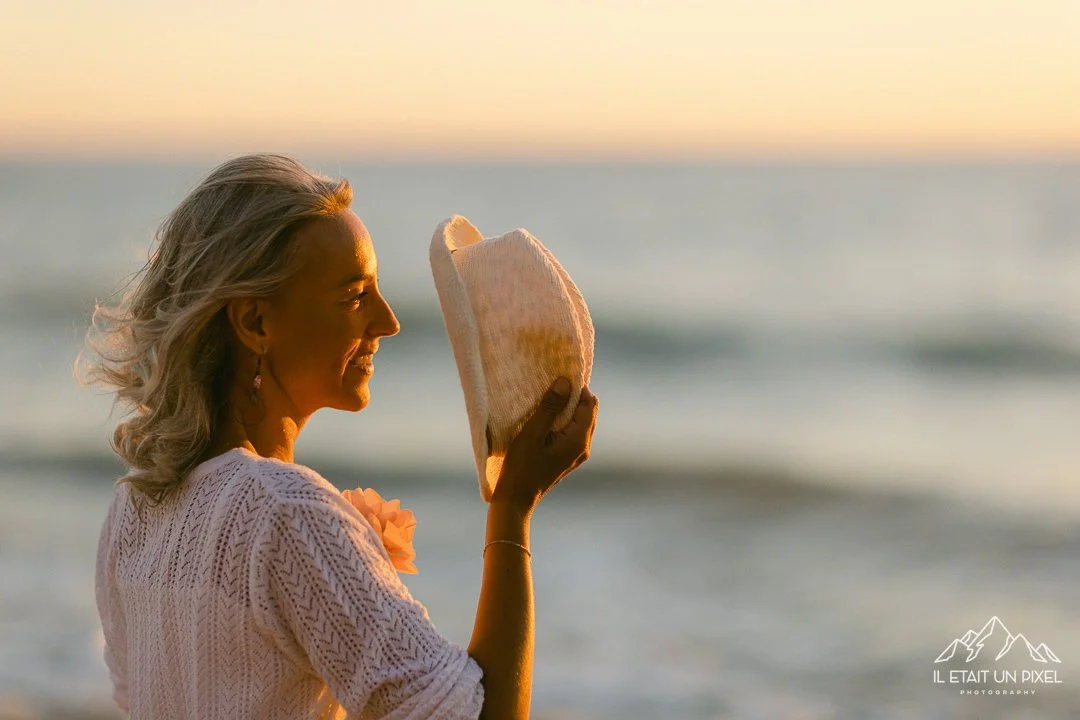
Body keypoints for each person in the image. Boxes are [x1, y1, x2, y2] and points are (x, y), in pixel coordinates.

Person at [77, 153, 600, 719]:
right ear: (255, 323)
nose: (387, 321)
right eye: (355, 297)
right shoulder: (286, 514)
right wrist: (513, 508)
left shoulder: (132, 515)